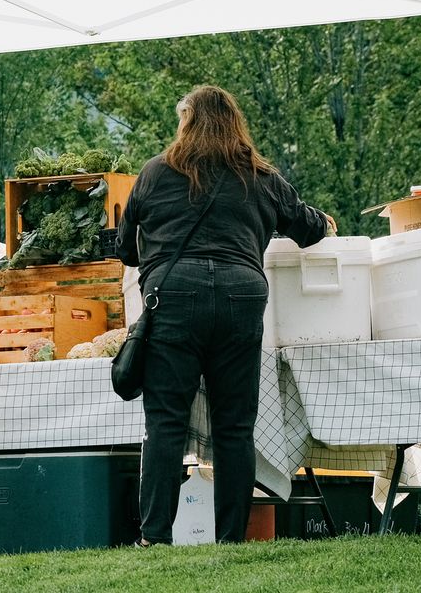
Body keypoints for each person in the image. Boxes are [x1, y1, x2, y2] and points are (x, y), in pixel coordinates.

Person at [119, 85, 336, 546]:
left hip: (173, 299)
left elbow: (125, 249)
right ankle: (231, 539)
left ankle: (155, 536)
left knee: (166, 423)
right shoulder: (261, 176)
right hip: (242, 298)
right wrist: (325, 221)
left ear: (186, 123)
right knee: (235, 427)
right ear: (235, 124)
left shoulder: (155, 172)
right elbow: (306, 227)